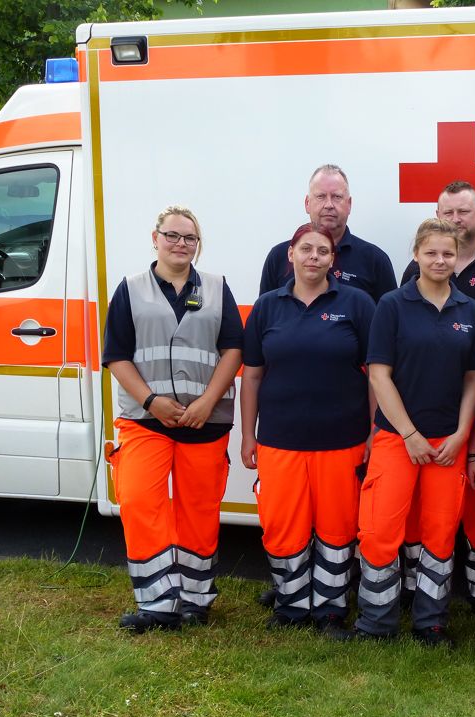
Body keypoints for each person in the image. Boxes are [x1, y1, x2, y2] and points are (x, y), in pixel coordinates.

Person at [337, 218, 475, 646]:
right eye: (431, 252)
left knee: (440, 533)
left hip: (447, 444)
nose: (440, 260)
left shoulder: (471, 311)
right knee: (380, 530)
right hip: (396, 439)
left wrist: (461, 434)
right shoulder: (392, 305)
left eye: (448, 253)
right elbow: (379, 375)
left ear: (457, 258)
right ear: (416, 254)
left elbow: (473, 378)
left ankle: (431, 622)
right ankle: (376, 622)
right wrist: (408, 434)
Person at [104, 205, 243, 633]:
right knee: (139, 502)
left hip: (205, 421)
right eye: (172, 235)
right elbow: (116, 356)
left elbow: (233, 350)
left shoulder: (217, 288)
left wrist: (207, 402)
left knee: (198, 510)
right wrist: (151, 402)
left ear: (198, 244)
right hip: (146, 420)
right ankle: (157, 604)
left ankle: (196, 601)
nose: (181, 244)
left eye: (190, 238)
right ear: (155, 238)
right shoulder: (130, 289)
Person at [240, 223, 376, 634]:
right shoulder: (268, 306)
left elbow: (376, 374)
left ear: (333, 259)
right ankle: (292, 606)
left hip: (342, 439)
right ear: (291, 254)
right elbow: (252, 376)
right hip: (279, 439)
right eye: (306, 249)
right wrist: (248, 435)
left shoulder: (356, 303)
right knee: (283, 526)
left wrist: (374, 431)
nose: (314, 256)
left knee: (337, 527)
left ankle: (331, 609)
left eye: (322, 251)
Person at [399, 180, 475, 616]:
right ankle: (412, 589)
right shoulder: (415, 270)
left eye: (465, 211)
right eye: (448, 212)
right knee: (421, 509)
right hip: (430, 409)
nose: (456, 219)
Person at [258, 164, 397, 302]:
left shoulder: (375, 260)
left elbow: (388, 314)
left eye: (337, 196)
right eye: (321, 196)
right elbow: (266, 310)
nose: (329, 205)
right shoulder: (278, 257)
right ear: (307, 203)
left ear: (349, 204)